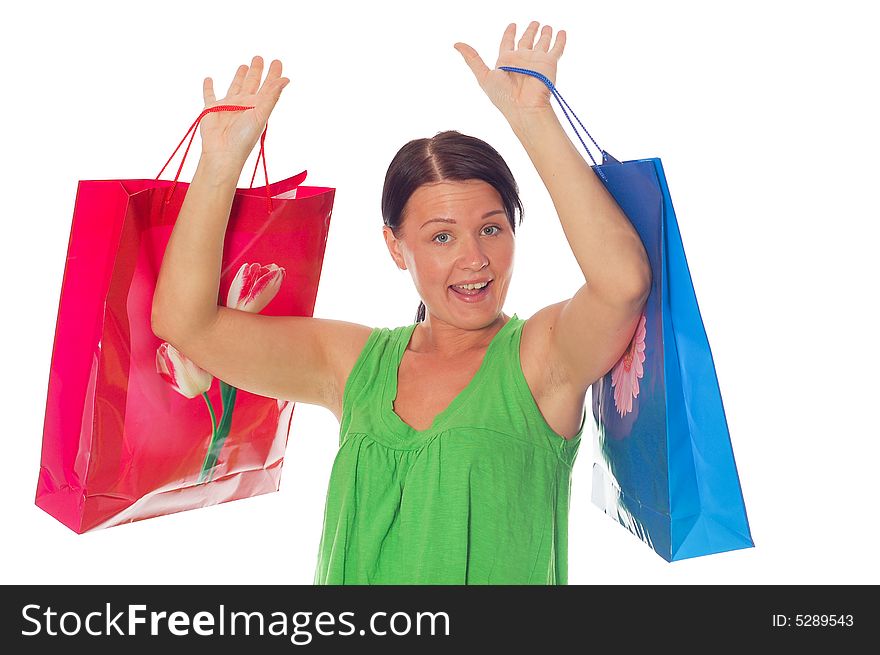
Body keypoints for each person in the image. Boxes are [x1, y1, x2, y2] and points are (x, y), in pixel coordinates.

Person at [152, 21, 651, 584]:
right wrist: (220, 162)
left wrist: (533, 120)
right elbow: (184, 323)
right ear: (396, 247)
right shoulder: (353, 365)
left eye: (492, 229)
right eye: (441, 236)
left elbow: (622, 283)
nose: (474, 259)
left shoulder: (541, 360)